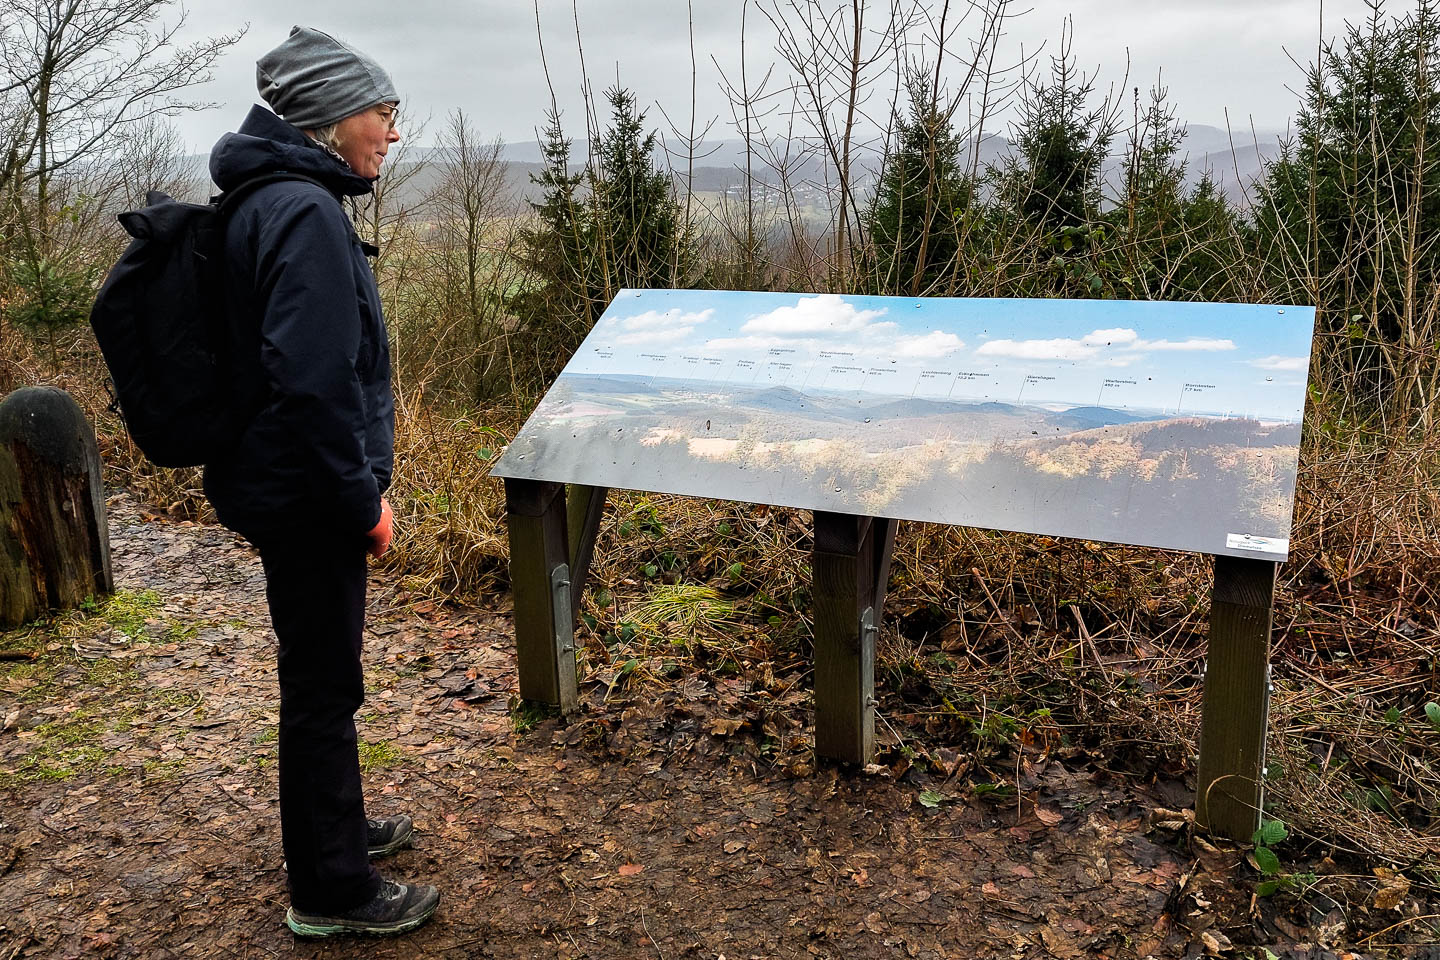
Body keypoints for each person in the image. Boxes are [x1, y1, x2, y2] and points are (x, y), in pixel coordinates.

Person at [202, 26, 439, 938]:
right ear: (332, 115)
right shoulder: (300, 211)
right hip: (308, 493)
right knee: (323, 682)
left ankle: (333, 831)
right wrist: (361, 500)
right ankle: (332, 890)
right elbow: (313, 379)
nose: (389, 131)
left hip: (280, 479)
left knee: (319, 672)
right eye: (383, 112)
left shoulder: (270, 199)